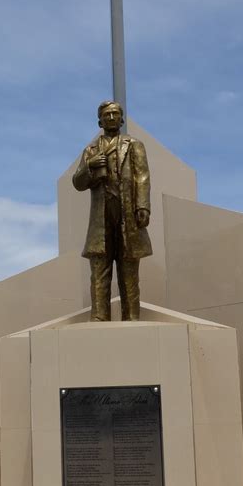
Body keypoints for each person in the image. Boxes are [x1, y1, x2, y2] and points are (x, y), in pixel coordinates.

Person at [72, 100, 152, 321]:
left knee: (129, 269)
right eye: (106, 115)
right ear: (99, 120)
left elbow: (142, 176)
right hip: (101, 217)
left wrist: (143, 205)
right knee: (99, 268)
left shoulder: (134, 145)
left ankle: (132, 316)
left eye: (115, 114)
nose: (110, 118)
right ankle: (99, 317)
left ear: (121, 118)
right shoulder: (91, 150)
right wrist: (91, 165)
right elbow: (78, 182)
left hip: (128, 214)